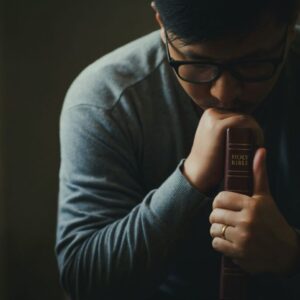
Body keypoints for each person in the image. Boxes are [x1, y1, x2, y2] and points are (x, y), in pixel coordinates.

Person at [56, 0, 300, 299]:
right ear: (160, 22)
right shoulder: (107, 102)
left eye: (253, 64)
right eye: (197, 64)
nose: (223, 93)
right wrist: (189, 179)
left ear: (291, 25)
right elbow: (84, 281)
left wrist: (291, 255)